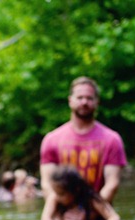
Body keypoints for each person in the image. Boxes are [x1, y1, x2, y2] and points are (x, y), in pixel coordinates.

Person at [39, 76, 127, 204]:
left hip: (99, 212)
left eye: (89, 98)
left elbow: (112, 184)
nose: (84, 102)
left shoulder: (112, 139)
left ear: (97, 102)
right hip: (63, 212)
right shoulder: (51, 140)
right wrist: (64, 212)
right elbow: (47, 184)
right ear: (70, 101)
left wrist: (88, 212)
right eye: (80, 98)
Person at [41, 165, 120, 220]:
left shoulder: (91, 198)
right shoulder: (55, 197)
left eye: (61, 194)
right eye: (55, 192)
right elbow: (46, 218)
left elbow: (114, 217)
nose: (57, 196)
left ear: (75, 190)